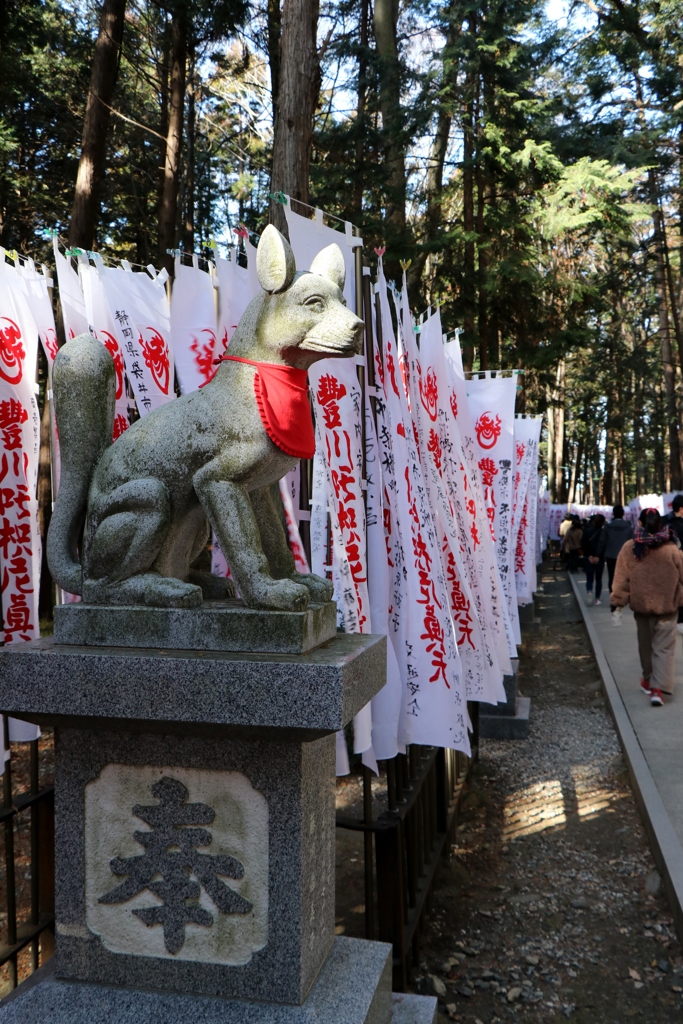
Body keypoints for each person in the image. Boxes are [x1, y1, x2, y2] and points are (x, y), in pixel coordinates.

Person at [611, 508, 683, 707]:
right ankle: (658, 690)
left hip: (642, 605)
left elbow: (621, 578)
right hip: (668, 605)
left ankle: (649, 680)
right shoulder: (671, 547)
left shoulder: (631, 547)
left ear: (640, 524)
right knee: (665, 648)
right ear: (660, 524)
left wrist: (618, 601)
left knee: (646, 646)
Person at [595, 504, 633, 609]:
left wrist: (598, 554)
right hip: (625, 556)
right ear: (623, 514)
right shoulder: (628, 526)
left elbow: (602, 541)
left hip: (611, 555)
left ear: (613, 514)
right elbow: (632, 541)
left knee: (612, 577)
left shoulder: (607, 526)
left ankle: (614, 600)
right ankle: (625, 599)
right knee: (626, 577)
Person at [582, 513, 606, 605]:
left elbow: (583, 544)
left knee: (589, 578)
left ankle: (589, 591)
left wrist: (589, 555)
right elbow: (604, 545)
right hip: (600, 558)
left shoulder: (587, 531)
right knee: (599, 579)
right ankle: (597, 599)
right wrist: (598, 556)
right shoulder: (604, 532)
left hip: (589, 558)